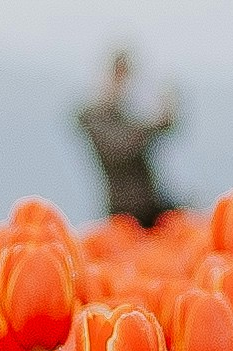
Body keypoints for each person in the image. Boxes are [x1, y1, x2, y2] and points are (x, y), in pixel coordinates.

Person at [75, 46, 179, 226]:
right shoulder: (92, 116)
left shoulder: (122, 114)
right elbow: (120, 148)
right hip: (124, 212)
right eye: (118, 74)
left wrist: (165, 114)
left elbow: (165, 128)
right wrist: (152, 124)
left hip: (152, 206)